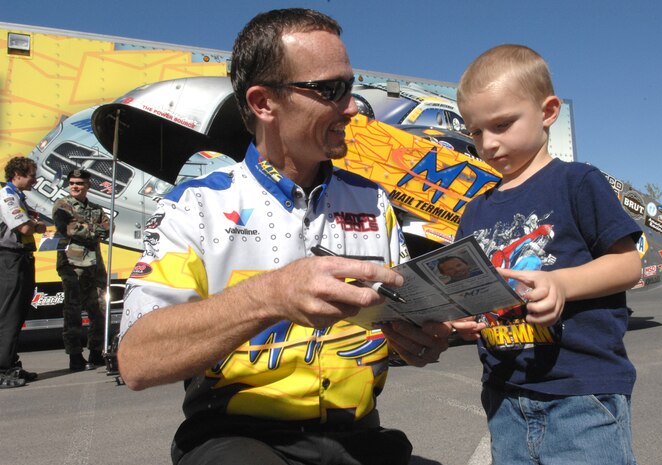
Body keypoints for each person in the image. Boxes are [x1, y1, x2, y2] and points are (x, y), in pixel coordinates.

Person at [117, 8, 451, 465]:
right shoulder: (194, 205)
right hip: (236, 437)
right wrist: (269, 295)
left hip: (359, 437)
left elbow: (394, 327)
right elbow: (136, 359)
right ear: (263, 103)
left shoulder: (372, 201)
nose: (352, 107)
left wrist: (420, 337)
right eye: (332, 90)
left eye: (351, 88)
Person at [450, 44, 642, 464]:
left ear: (548, 112)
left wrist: (561, 282)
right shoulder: (475, 209)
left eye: (502, 124)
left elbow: (629, 263)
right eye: (476, 131)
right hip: (504, 395)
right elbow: (469, 286)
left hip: (580, 392)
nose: (488, 143)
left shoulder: (577, 182)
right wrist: (462, 315)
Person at [52, 169, 110, 371]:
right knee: (73, 311)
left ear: (88, 186)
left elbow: (108, 229)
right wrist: (92, 231)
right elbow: (67, 228)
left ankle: (96, 351)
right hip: (72, 265)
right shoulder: (62, 205)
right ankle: (75, 355)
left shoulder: (96, 208)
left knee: (99, 309)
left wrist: (85, 229)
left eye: (80, 183)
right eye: (72, 183)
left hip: (94, 265)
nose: (75, 186)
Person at [0, 157, 46, 388]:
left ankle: (11, 363)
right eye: (31, 175)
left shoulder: (19, 196)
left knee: (17, 314)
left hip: (22, 257)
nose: (34, 180)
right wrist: (37, 226)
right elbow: (25, 227)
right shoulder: (7, 196)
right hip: (9, 258)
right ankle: (2, 369)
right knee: (9, 314)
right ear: (17, 174)